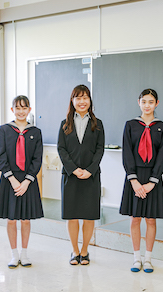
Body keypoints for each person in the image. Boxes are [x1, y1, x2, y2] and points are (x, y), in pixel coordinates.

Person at [120, 88, 163, 273]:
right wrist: (133, 180)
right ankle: (136, 258)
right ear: (138, 102)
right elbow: (127, 154)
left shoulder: (162, 127)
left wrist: (152, 182)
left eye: (151, 102)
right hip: (134, 178)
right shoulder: (130, 125)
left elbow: (162, 156)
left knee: (150, 220)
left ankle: (148, 259)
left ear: (157, 104)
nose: (147, 105)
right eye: (144, 101)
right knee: (135, 219)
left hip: (152, 179)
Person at [57, 84, 105, 265]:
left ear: (90, 101)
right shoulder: (65, 124)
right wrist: (73, 169)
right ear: (73, 101)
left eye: (85, 97)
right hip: (70, 176)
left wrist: (89, 170)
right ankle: (74, 251)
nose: (82, 101)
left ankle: (85, 251)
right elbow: (61, 149)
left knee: (89, 215)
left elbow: (100, 150)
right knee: (72, 215)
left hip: (91, 177)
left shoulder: (97, 123)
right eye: (78, 98)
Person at [0, 95, 44, 268]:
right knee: (11, 220)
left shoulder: (35, 132)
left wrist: (26, 181)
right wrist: (14, 180)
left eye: (25, 108)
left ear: (29, 110)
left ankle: (24, 253)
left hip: (28, 181)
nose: (21, 111)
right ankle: (13, 254)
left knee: (25, 220)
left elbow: (37, 159)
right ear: (12, 110)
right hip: (10, 180)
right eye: (18, 108)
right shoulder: (4, 130)